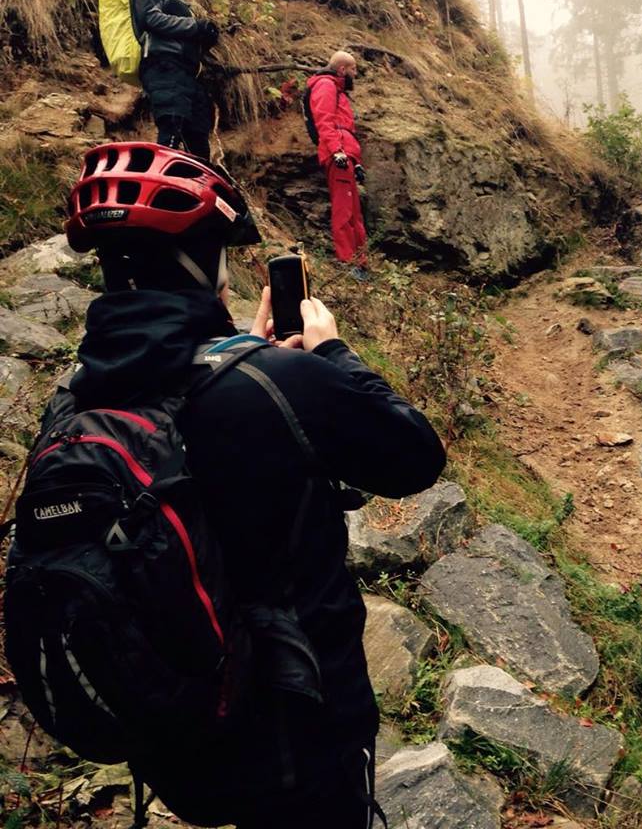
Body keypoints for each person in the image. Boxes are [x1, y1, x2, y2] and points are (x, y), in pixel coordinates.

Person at [64, 142, 447, 827]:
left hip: (176, 739)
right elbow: (416, 456)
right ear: (201, 263)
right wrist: (330, 353)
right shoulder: (273, 381)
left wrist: (243, 352)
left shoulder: (77, 400)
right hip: (303, 738)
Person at [132, 0, 220, 159]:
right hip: (163, 67)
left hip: (187, 73)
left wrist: (205, 37)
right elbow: (149, 18)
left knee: (199, 138)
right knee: (172, 126)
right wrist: (195, 26)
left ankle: (196, 180)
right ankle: (160, 177)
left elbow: (179, 32)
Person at [306, 52, 370, 278]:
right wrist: (337, 151)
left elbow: (344, 129)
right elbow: (324, 121)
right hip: (339, 155)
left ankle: (360, 262)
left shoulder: (337, 89)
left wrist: (356, 162)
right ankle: (348, 262)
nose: (355, 73)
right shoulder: (325, 85)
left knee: (355, 213)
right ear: (342, 69)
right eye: (353, 69)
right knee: (344, 210)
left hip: (346, 155)